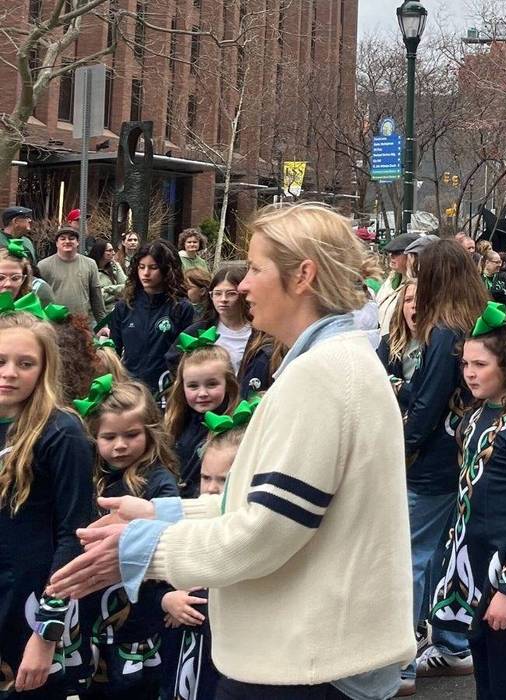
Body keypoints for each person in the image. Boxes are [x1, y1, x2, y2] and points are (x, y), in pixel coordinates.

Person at [49, 202, 418, 698]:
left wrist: (143, 549)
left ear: (304, 275)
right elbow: (273, 507)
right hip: (311, 655)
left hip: (305, 664)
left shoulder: (323, 376)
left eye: (257, 269)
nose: (242, 285)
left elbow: (262, 534)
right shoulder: (335, 365)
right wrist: (162, 512)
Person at [429, 305, 506, 698]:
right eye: (465, 363)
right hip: (474, 566)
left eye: (480, 364)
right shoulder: (475, 416)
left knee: (504, 681)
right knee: (483, 672)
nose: (469, 373)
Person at [0, 311, 95, 698]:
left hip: (30, 604)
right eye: (1, 361)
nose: (9, 373)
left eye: (25, 364)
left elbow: (74, 536)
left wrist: (46, 634)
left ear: (44, 369)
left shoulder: (62, 432)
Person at [407, 240, 487, 679]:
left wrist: (405, 443)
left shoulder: (444, 332)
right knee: (445, 551)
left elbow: (428, 403)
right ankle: (452, 643)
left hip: (433, 457)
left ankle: (399, 663)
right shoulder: (475, 324)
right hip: (465, 450)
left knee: (413, 556)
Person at [75, 375, 180, 699]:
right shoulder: (92, 477)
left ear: (150, 433)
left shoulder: (158, 482)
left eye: (131, 435)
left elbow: (172, 535)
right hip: (92, 613)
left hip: (138, 615)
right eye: (109, 437)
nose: (120, 445)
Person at [166, 400, 256, 700]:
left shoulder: (252, 532)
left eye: (223, 480)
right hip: (190, 650)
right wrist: (167, 598)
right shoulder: (193, 522)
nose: (211, 489)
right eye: (206, 478)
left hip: (235, 655)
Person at [107, 240, 196, 397]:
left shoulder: (182, 308)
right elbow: (113, 351)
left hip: (166, 392)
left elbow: (187, 356)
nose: (146, 273)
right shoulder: (124, 307)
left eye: (153, 267)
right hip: (130, 391)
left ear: (166, 270)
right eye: (141, 267)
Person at [164, 341, 240, 497]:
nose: (202, 393)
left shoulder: (235, 430)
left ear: (229, 384)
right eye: (193, 386)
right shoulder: (175, 423)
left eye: (212, 384)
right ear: (182, 386)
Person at [37, 227, 105, 323]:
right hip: (53, 322)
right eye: (63, 238)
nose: (67, 241)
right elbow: (37, 297)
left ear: (78, 242)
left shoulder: (90, 264)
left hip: (81, 322)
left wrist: (102, 323)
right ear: (57, 243)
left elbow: (96, 296)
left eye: (71, 238)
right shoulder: (43, 265)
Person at [89, 239, 127, 318]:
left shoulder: (113, 267)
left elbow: (127, 286)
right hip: (98, 315)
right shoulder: (91, 270)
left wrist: (107, 289)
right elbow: (97, 298)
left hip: (116, 312)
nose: (113, 253)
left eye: (113, 250)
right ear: (100, 252)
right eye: (109, 251)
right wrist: (117, 294)